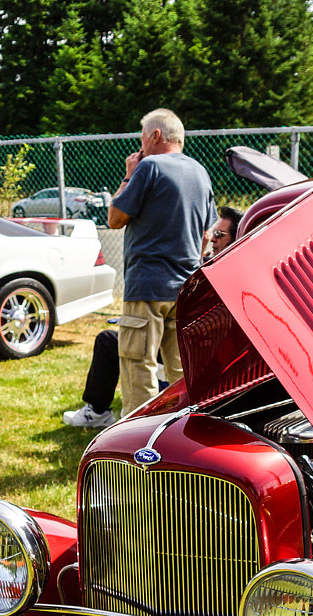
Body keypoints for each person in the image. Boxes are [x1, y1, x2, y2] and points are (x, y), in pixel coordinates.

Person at [63, 206, 243, 429]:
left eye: (219, 235)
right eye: (212, 233)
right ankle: (98, 411)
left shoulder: (227, 274)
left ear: (236, 238)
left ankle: (130, 421)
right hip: (175, 338)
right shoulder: (203, 264)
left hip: (191, 351)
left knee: (121, 346)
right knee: (109, 340)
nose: (212, 239)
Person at [107, 109, 217, 417]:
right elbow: (207, 233)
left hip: (147, 287)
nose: (140, 146)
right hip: (185, 289)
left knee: (138, 364)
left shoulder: (149, 167)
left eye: (142, 137)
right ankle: (184, 429)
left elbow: (115, 218)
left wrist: (129, 172)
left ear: (155, 136)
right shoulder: (200, 171)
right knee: (182, 371)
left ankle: (137, 438)